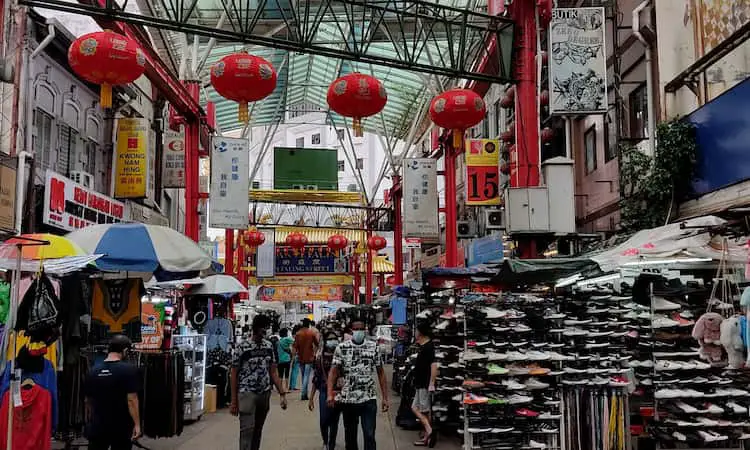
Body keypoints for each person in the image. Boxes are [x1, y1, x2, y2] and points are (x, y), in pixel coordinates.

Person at [327, 320, 389, 450]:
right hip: (349, 400)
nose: (359, 332)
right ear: (351, 331)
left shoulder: (373, 347)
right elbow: (333, 372)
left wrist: (385, 398)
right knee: (350, 438)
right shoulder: (342, 348)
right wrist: (330, 394)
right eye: (357, 329)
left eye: (362, 329)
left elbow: (381, 373)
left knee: (369, 435)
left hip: (368, 399)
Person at [231, 314, 288, 450]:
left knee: (258, 430)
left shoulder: (268, 346)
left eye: (267, 329)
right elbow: (233, 373)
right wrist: (234, 401)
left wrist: (282, 393)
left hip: (264, 393)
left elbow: (273, 371)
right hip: (246, 393)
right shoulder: (242, 347)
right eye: (264, 329)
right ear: (256, 328)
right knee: (247, 430)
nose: (265, 332)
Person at [84, 334, 141, 450]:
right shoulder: (129, 370)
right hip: (121, 426)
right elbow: (132, 400)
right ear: (125, 350)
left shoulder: (92, 371)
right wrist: (137, 424)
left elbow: (87, 401)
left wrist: (90, 420)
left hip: (98, 425)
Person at [309, 329, 342, 450]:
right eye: (330, 339)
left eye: (334, 339)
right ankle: (325, 440)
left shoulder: (341, 355)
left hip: (338, 391)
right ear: (325, 341)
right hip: (323, 390)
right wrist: (311, 398)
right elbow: (315, 379)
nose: (332, 341)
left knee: (334, 419)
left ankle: (332, 443)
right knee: (324, 419)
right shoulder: (319, 358)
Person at [411, 322, 437, 447]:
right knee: (422, 410)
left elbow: (433, 365)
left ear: (420, 332)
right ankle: (427, 436)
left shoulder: (428, 347)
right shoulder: (424, 346)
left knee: (418, 409)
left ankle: (429, 431)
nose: (415, 332)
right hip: (420, 383)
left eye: (416, 330)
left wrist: (431, 383)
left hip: (424, 384)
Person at [294, 318, 320, 400]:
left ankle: (304, 393)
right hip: (309, 357)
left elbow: (295, 346)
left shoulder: (298, 334)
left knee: (303, 375)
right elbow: (317, 343)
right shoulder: (311, 333)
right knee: (306, 376)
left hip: (300, 356)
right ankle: (303, 394)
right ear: (308, 324)